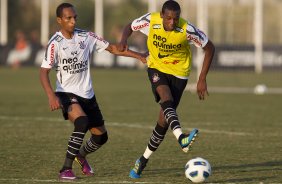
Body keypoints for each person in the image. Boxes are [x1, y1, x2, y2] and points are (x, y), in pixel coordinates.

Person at [39, 3, 146, 181]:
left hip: (87, 94)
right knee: (81, 122)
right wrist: (51, 95)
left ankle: (80, 155)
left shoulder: (86, 36)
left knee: (101, 137)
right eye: (68, 18)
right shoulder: (54, 44)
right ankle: (65, 169)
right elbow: (44, 72)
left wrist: (139, 56)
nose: (73, 21)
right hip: (66, 93)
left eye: (74, 17)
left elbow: (112, 48)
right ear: (59, 20)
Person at [118, 0, 215, 179]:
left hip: (179, 73)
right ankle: (181, 138)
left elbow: (210, 48)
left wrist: (201, 78)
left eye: (176, 19)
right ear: (162, 15)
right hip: (156, 66)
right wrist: (124, 40)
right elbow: (129, 26)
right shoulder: (150, 20)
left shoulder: (187, 30)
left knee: (163, 120)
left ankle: (143, 160)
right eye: (168, 18)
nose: (172, 23)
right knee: (165, 96)